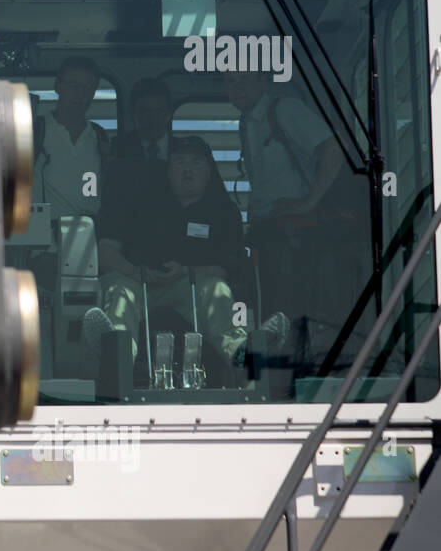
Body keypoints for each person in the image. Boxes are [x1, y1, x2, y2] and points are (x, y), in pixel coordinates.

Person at [84, 136, 289, 375]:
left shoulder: (224, 212)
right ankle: (116, 357)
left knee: (217, 289)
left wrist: (186, 272)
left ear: (210, 172)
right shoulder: (137, 202)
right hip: (134, 279)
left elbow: (228, 267)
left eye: (196, 163)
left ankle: (245, 355)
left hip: (188, 284)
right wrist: (134, 272)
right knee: (120, 293)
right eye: (180, 163)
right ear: (168, 170)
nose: (188, 169)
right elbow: (106, 250)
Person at [224, 68, 351, 326]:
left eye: (244, 79)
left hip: (295, 237)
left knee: (293, 315)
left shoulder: (284, 111)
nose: (237, 87)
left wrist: (309, 202)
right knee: (269, 313)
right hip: (267, 233)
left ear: (263, 80)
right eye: (230, 81)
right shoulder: (246, 121)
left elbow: (335, 148)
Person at [32, 56, 110, 216]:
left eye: (88, 88)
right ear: (57, 86)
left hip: (88, 232)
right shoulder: (35, 130)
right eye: (73, 85)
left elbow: (94, 189)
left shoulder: (100, 136)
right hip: (44, 233)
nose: (80, 94)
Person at [113, 77, 174, 162]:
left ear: (169, 114)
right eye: (146, 111)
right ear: (135, 115)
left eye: (159, 111)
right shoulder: (118, 149)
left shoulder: (184, 149)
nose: (153, 119)